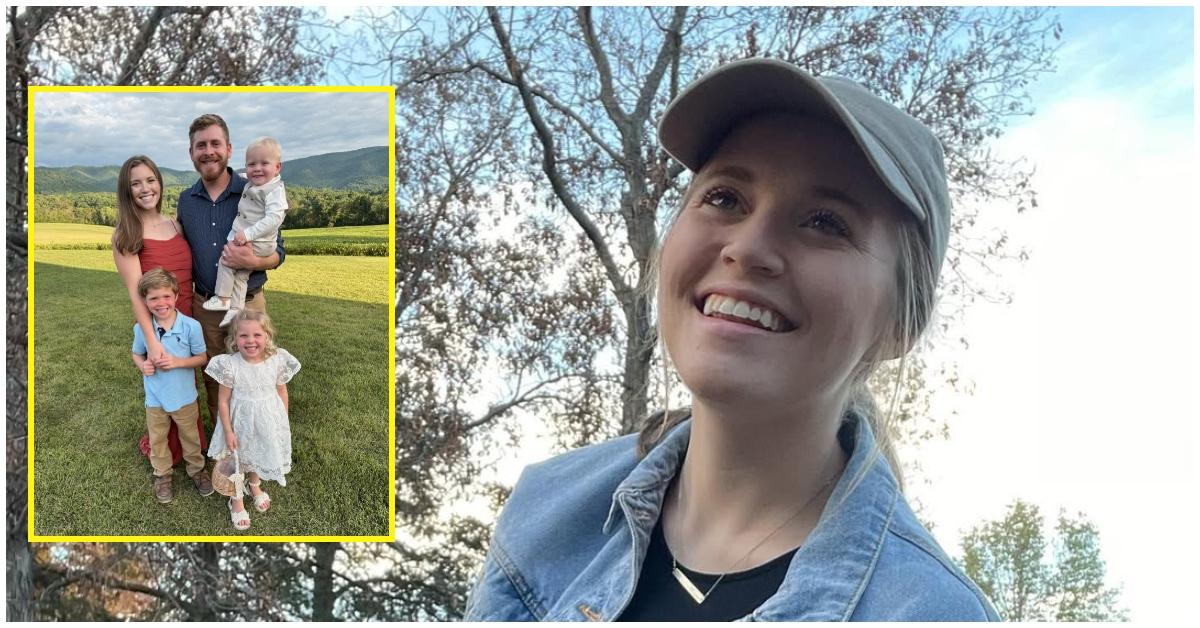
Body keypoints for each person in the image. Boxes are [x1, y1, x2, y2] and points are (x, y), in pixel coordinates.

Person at [465, 59, 1000, 621]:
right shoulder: (548, 511)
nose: (748, 248)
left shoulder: (928, 611)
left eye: (825, 222)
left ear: (901, 324)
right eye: (724, 198)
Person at [176, 114, 286, 431]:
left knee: (256, 371)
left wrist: (251, 261)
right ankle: (224, 439)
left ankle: (259, 435)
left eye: (215, 143)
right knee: (216, 374)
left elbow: (279, 251)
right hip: (205, 305)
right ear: (191, 153)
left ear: (228, 148)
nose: (208, 151)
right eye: (201, 145)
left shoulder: (254, 189)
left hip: (249, 303)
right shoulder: (186, 200)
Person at [112, 155, 210, 473]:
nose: (145, 188)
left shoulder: (175, 223)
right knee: (167, 381)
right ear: (126, 191)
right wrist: (152, 342)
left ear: (159, 182)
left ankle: (192, 441)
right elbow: (135, 294)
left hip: (188, 317)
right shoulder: (126, 235)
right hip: (159, 322)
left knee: (187, 380)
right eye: (135, 183)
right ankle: (169, 450)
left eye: (150, 180)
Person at [205, 309, 300, 530]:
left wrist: (281, 419)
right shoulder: (230, 365)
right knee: (239, 459)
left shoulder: (276, 360)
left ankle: (255, 484)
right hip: (239, 422)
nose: (250, 341)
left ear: (267, 336)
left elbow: (282, 391)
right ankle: (236, 498)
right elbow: (223, 401)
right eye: (243, 335)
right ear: (234, 339)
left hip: (267, 419)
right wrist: (228, 431)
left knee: (260, 452)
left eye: (257, 335)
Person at [129, 268, 211, 504]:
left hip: (184, 397)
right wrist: (142, 364)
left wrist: (178, 362)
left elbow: (202, 357)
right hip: (154, 398)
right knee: (158, 439)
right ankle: (162, 475)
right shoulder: (142, 329)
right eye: (153, 298)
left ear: (176, 297)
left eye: (166, 296)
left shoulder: (191, 326)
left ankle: (197, 470)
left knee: (190, 436)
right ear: (145, 300)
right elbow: (136, 354)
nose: (161, 303)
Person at [201, 136, 290, 328]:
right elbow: (241, 175)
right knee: (241, 275)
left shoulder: (273, 190)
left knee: (227, 258)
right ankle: (236, 308)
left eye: (264, 163)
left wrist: (249, 238)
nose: (257, 168)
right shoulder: (252, 183)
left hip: (257, 243)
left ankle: (223, 297)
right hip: (256, 243)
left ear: (278, 167)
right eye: (251, 164)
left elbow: (275, 220)